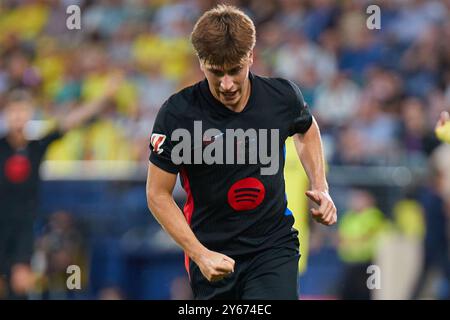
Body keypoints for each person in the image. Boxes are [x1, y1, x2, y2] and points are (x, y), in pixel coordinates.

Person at [146, 5, 337, 300]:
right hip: (211, 252)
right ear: (201, 62)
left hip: (273, 245)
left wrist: (321, 186)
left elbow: (306, 129)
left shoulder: (281, 98)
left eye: (235, 70)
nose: (226, 84)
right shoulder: (178, 115)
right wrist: (199, 253)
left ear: (250, 56)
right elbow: (157, 194)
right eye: (215, 72)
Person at [0, 73, 122, 299]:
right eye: (12, 111)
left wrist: (103, 97)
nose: (17, 116)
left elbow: (70, 122)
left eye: (22, 111)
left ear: (29, 114)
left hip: (23, 230)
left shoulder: (36, 147)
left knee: (20, 286)